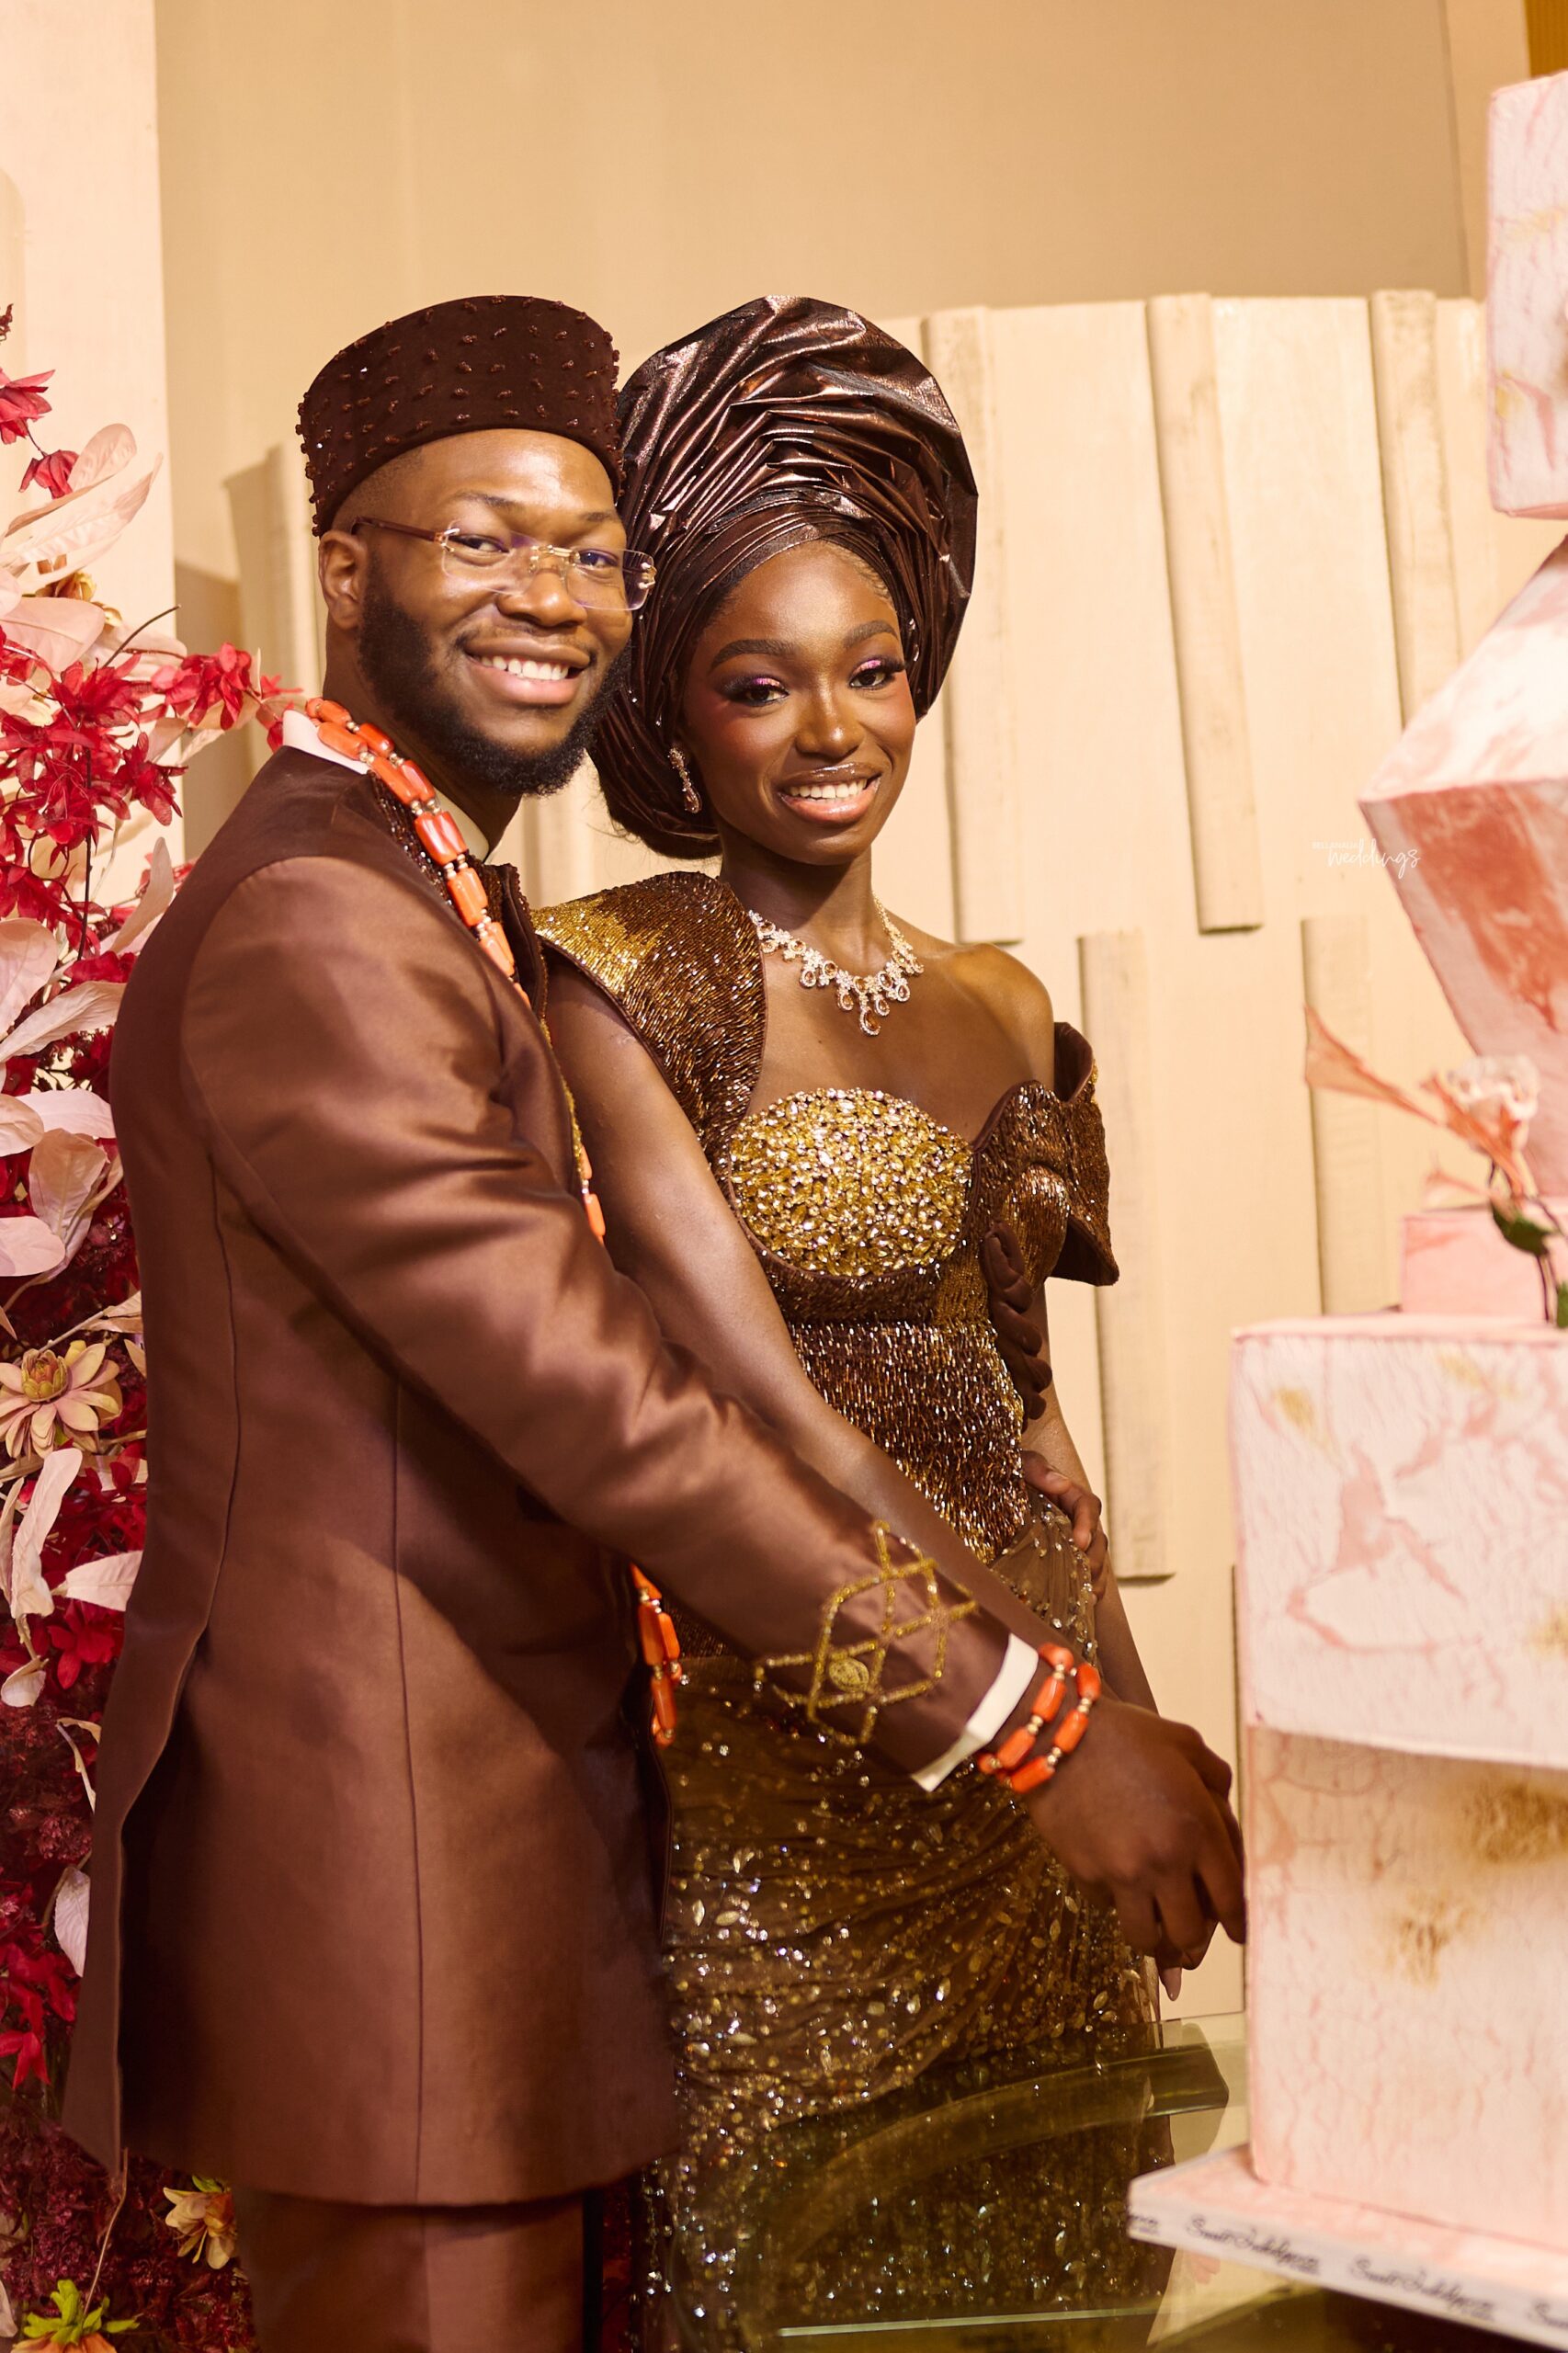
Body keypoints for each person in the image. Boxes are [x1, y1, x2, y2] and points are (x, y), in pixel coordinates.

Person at [60, 296, 1244, 2353]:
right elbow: (617, 1404)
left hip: (513, 1864)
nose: (552, 597)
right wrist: (1031, 1723)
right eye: (481, 541)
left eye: (592, 552)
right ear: (343, 569)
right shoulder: (325, 919)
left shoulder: (417, 885)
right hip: (400, 1884)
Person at [537, 296, 1220, 2338]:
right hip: (811, 1734)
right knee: (790, 2266)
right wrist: (1047, 1714)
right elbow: (756, 1398)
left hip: (1046, 1760)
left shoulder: (1003, 1000)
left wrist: (1134, 1714)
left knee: (1066, 2259)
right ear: (673, 713)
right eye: (759, 683)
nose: (831, 726)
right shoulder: (617, 970)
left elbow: (1037, 1428)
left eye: (871, 667)